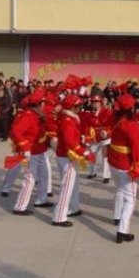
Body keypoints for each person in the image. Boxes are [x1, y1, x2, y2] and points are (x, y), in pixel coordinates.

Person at [52, 94, 94, 227]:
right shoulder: (68, 120)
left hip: (67, 155)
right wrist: (83, 152)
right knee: (67, 187)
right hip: (67, 156)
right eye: (77, 106)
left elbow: (72, 138)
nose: (79, 108)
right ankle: (59, 217)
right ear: (72, 107)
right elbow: (69, 141)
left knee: (74, 184)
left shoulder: (69, 118)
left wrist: (82, 141)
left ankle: (74, 207)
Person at [8, 90, 53, 215]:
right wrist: (25, 148)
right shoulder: (28, 115)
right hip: (30, 153)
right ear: (38, 104)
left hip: (40, 151)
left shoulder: (38, 115)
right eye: (43, 103)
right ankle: (19, 207)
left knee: (44, 176)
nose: (44, 106)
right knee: (30, 179)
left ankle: (41, 200)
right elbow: (16, 132)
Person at [108, 94, 139, 243]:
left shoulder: (115, 120)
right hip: (126, 165)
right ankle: (122, 231)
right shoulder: (131, 124)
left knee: (120, 191)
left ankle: (118, 217)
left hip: (114, 163)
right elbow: (136, 147)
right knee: (130, 199)